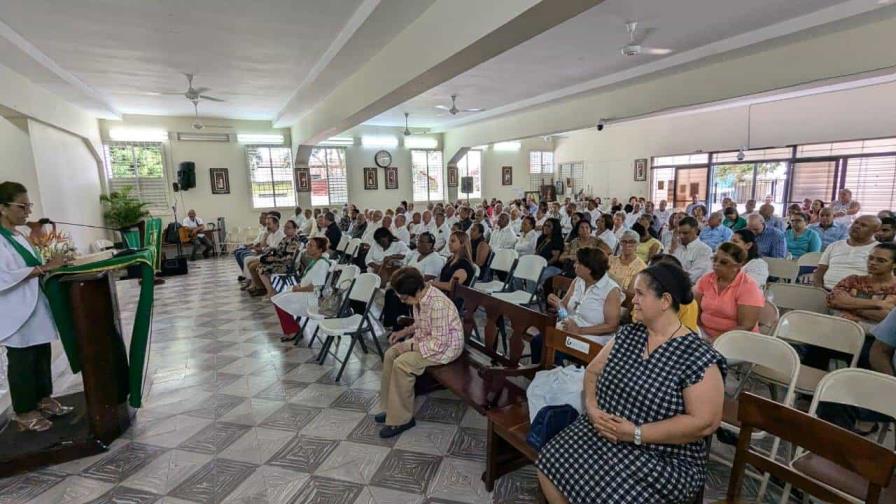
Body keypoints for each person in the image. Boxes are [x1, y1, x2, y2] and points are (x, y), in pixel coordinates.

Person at [536, 262, 726, 504]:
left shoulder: (697, 356)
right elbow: (592, 373)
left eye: (639, 294)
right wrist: (593, 410)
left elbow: (704, 423)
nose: (631, 300)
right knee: (550, 461)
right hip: (603, 432)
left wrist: (636, 433)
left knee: (610, 494)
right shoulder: (630, 335)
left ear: (665, 301)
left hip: (660, 453)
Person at [0, 181, 75, 432]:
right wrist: (44, 267)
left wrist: (56, 260)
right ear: (2, 208)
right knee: (23, 358)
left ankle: (43, 399)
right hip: (14, 309)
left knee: (41, 354)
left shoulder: (17, 235)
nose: (28, 212)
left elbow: (31, 263)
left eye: (28, 205)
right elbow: (3, 275)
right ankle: (23, 411)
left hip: (34, 303)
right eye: (22, 206)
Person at [375, 268, 464, 438]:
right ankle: (389, 408)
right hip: (428, 340)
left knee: (402, 364)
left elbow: (438, 344)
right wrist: (403, 332)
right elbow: (420, 323)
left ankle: (401, 419)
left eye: (404, 298)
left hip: (447, 348)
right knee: (390, 354)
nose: (403, 301)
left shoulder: (437, 304)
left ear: (415, 290)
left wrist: (408, 347)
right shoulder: (421, 297)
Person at [548, 248, 622, 346]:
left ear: (590, 268)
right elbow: (564, 310)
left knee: (553, 342)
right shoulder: (578, 281)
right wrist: (558, 305)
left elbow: (612, 326)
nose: (574, 265)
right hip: (569, 330)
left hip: (593, 337)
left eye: (578, 263)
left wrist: (579, 330)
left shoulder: (611, 290)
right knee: (540, 338)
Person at [693, 242, 766, 340]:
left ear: (738, 266)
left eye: (724, 262)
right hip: (705, 335)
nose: (716, 264)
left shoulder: (748, 286)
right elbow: (695, 311)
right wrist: (698, 334)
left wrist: (716, 340)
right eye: (714, 260)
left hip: (736, 340)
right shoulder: (706, 279)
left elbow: (746, 326)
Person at [826, 243, 896, 332]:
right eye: (870, 258)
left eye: (881, 261)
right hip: (838, 329)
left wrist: (848, 305)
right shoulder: (853, 280)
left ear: (894, 264)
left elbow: (888, 317)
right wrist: (879, 304)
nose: (872, 263)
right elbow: (833, 300)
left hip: (876, 338)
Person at [271, 237, 331, 340]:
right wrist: (299, 285)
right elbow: (308, 280)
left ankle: (293, 331)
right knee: (278, 298)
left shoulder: (322, 263)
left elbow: (314, 287)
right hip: (304, 292)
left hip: (310, 298)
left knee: (279, 302)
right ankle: (293, 329)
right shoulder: (316, 261)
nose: (308, 247)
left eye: (311, 246)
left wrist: (298, 289)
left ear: (320, 250)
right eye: (308, 245)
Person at [814, 215, 881, 290]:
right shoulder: (834, 245)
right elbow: (820, 270)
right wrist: (818, 289)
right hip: (825, 291)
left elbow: (882, 278)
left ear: (875, 231)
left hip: (859, 294)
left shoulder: (880, 250)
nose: (857, 226)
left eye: (863, 225)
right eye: (856, 223)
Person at [253, 219, 302, 299]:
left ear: (294, 229)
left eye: (288, 228)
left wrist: (273, 258)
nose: (285, 229)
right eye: (285, 227)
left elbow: (288, 257)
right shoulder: (285, 238)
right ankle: (272, 290)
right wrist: (271, 252)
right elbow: (279, 250)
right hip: (278, 262)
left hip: (286, 265)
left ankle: (271, 292)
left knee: (261, 269)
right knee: (260, 266)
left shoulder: (294, 240)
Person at [430, 231, 476, 296]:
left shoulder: (464, 265)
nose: (449, 244)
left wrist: (432, 283)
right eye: (449, 241)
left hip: (452, 301)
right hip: (442, 295)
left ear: (462, 244)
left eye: (453, 241)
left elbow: (451, 286)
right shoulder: (451, 260)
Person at [608, 230, 647, 303]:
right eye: (624, 241)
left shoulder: (641, 267)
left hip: (621, 303)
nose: (627, 245)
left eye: (632, 242)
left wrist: (609, 287)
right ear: (620, 243)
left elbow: (632, 294)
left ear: (637, 244)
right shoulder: (611, 259)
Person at [670, 216, 713, 282]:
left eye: (685, 233)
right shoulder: (676, 247)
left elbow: (692, 277)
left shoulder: (705, 251)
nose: (681, 236)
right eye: (679, 233)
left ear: (696, 231)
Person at [535, 218, 567, 283]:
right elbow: (536, 252)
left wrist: (543, 265)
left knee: (537, 275)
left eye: (549, 226)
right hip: (539, 264)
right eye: (545, 225)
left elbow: (554, 258)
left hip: (553, 266)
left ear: (554, 228)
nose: (545, 227)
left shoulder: (557, 240)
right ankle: (528, 291)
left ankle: (536, 291)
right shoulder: (541, 238)